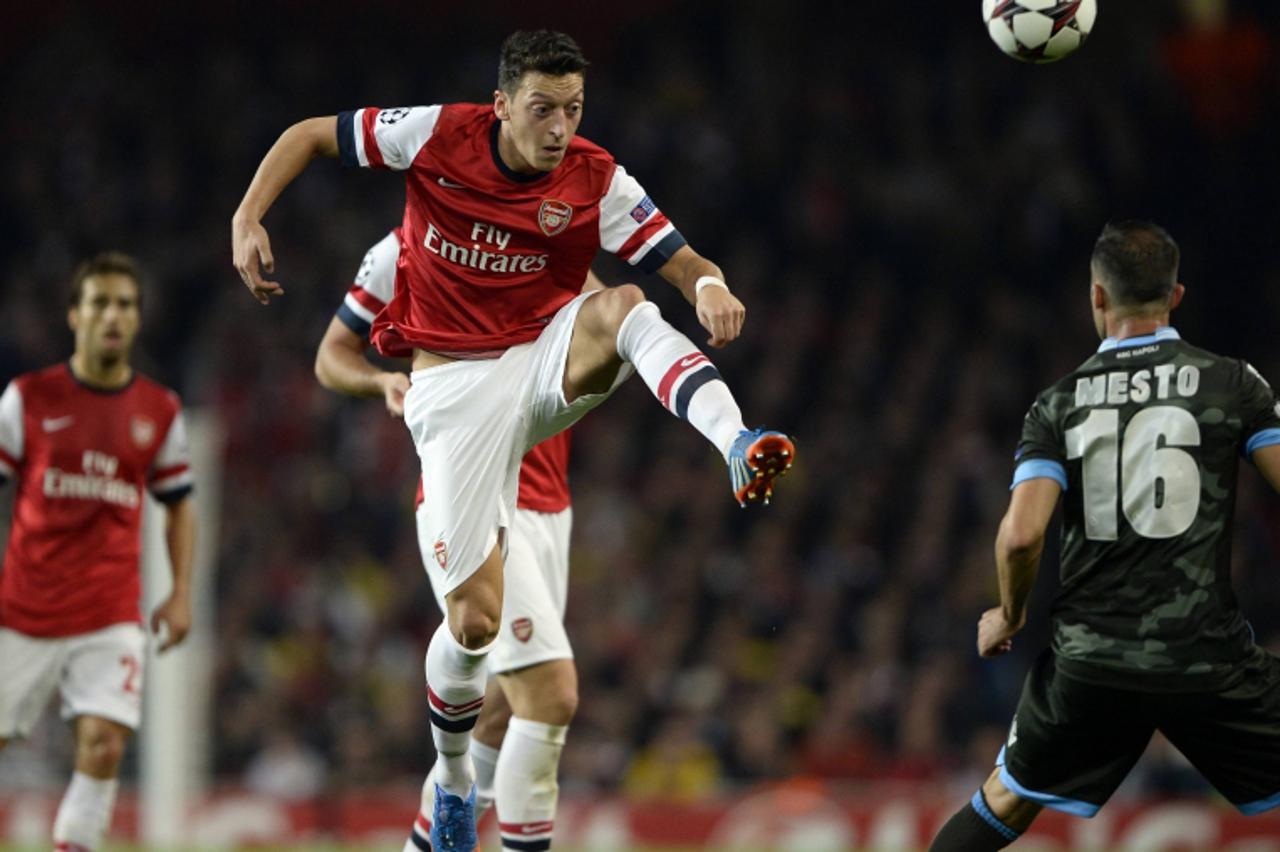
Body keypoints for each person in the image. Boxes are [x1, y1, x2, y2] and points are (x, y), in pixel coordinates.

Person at [234, 28, 796, 851]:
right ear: (501, 105)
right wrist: (249, 217)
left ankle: (738, 441)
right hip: (455, 392)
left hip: (537, 382)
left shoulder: (593, 179)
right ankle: (452, 787)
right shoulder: (426, 159)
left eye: (573, 109)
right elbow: (312, 136)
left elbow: (676, 255)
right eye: (542, 109)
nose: (560, 127)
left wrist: (709, 283)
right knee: (479, 635)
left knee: (627, 307)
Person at [929, 221, 1280, 851]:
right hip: (1204, 657)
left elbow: (1019, 537)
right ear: (1176, 296)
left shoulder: (1058, 406)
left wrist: (1009, 615)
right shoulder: (1233, 382)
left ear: (1096, 297)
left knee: (1002, 803)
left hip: (1091, 665)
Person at [314, 229, 605, 852]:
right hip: (475, 498)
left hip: (551, 503)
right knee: (550, 694)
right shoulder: (401, 253)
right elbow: (331, 355)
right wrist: (381, 382)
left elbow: (603, 331)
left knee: (501, 711)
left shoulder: (545, 233)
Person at [0, 252, 197, 852]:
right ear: (74, 315)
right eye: (100, 303)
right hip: (24, 608)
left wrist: (181, 592)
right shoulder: (28, 399)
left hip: (109, 612)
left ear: (137, 320)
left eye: (126, 305)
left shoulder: (159, 412)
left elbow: (178, 503)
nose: (114, 316)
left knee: (104, 744)